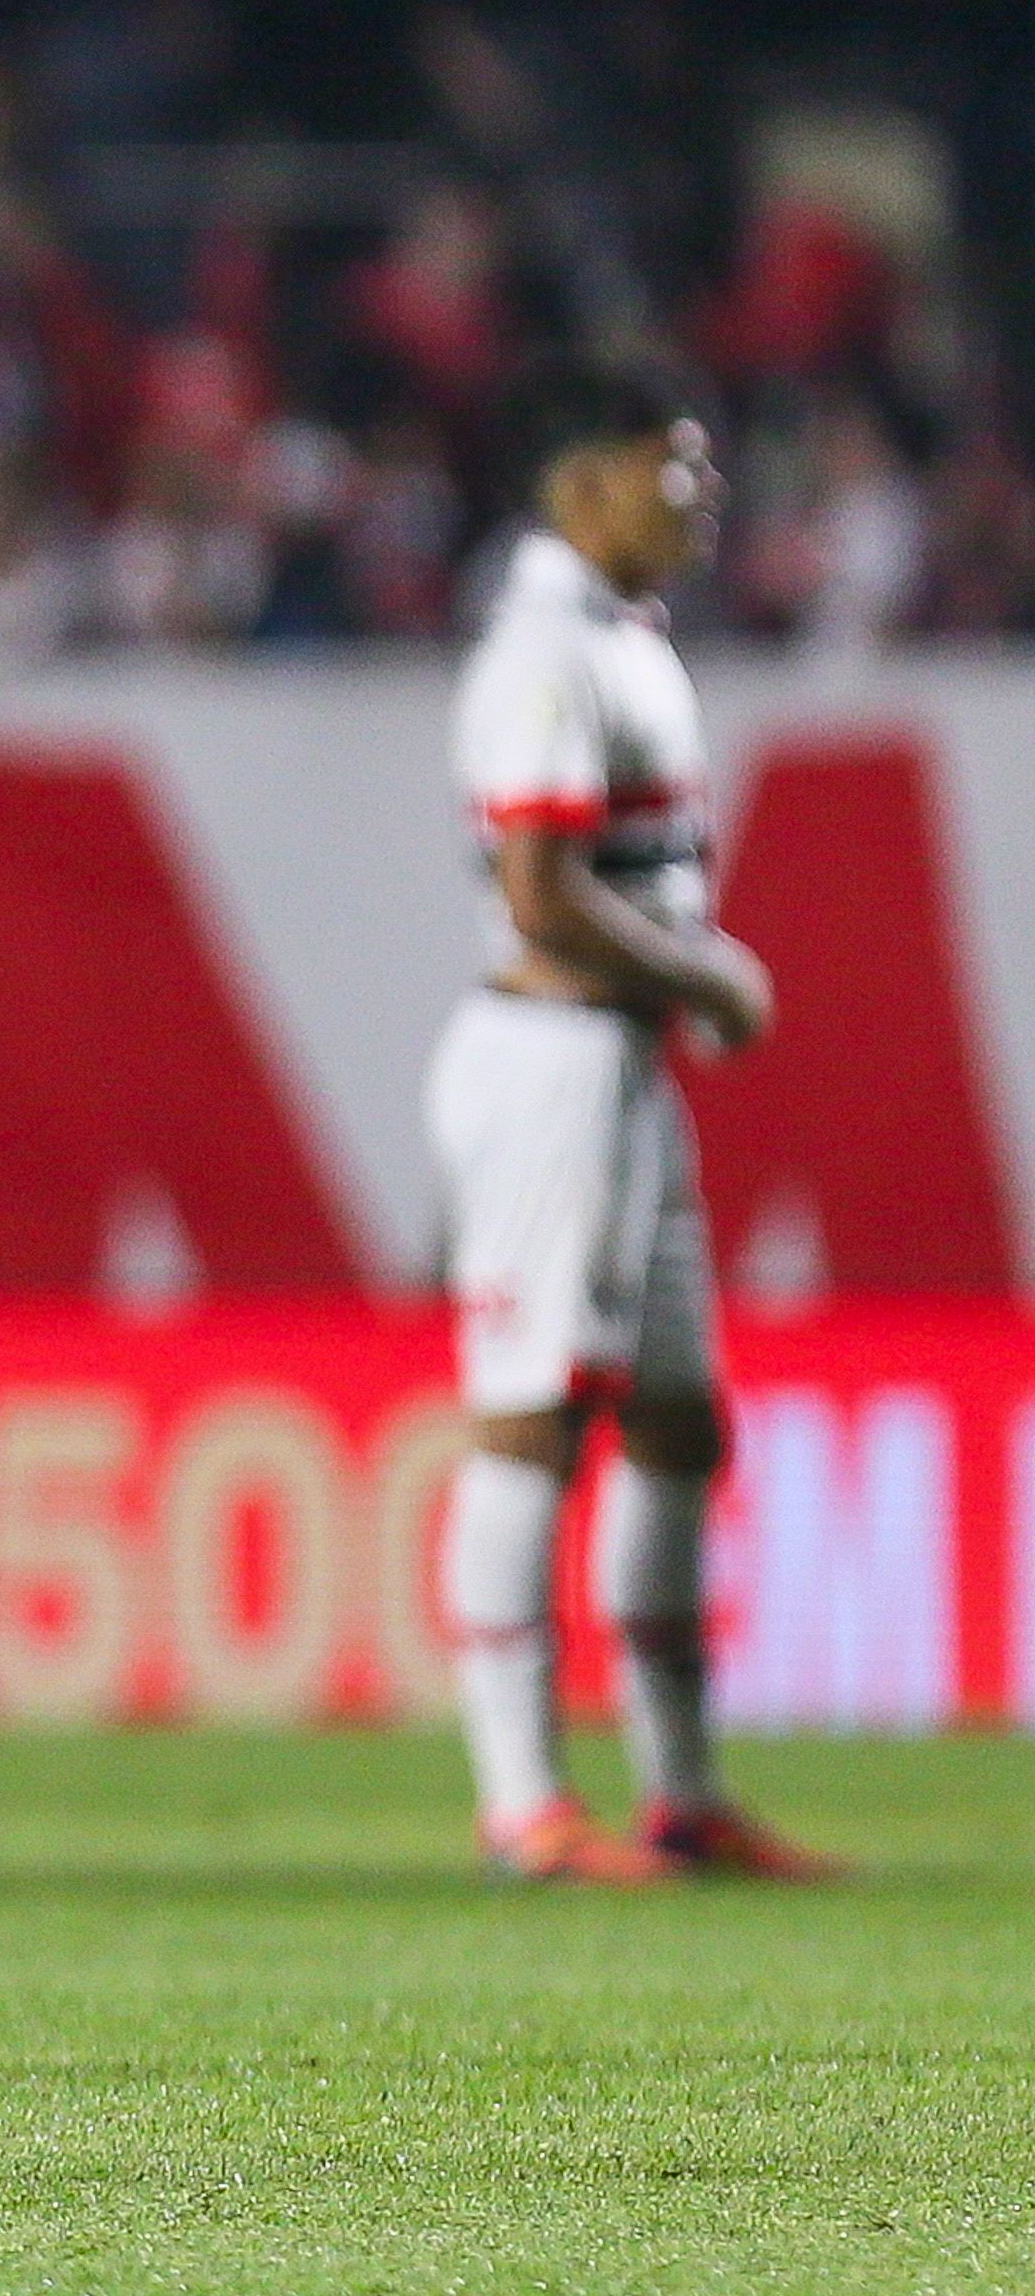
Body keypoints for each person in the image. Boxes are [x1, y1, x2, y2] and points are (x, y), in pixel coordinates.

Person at [424, 364, 840, 1885]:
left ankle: (683, 1791)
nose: (703, 497)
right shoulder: (541, 652)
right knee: (533, 1418)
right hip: (551, 1068)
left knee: (677, 1423)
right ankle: (525, 1803)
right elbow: (541, 893)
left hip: (619, 1076)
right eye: (675, 470)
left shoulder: (616, 638)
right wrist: (706, 974)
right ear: (582, 484)